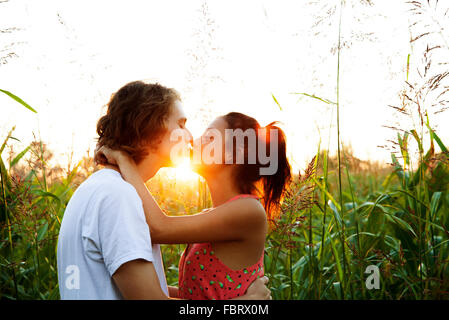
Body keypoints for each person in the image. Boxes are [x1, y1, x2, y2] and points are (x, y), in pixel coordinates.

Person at [57, 81, 270, 299]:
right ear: (149, 127)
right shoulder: (118, 196)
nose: (190, 138)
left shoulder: (104, 188)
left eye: (210, 138)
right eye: (181, 124)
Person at [96, 111, 291, 300]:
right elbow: (195, 296)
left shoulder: (249, 210)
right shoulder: (213, 214)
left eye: (209, 138)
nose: (194, 142)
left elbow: (158, 228)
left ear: (236, 152)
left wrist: (124, 160)